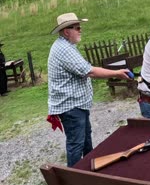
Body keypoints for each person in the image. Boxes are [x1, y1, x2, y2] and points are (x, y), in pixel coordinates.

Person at [47, 12, 131, 167]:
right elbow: (90, 71)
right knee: (76, 144)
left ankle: (88, 171)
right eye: (77, 27)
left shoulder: (66, 46)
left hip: (76, 105)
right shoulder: (64, 49)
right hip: (72, 107)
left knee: (85, 140)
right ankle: (73, 181)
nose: (80, 30)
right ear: (67, 31)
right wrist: (117, 73)